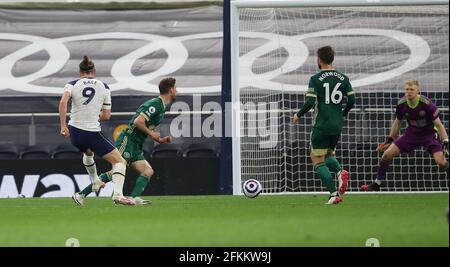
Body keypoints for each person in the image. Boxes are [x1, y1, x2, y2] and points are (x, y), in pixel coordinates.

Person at [72, 77, 177, 205]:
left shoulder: (161, 106)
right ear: (171, 90)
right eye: (175, 88)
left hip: (136, 144)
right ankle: (81, 194)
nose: (176, 91)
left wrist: (159, 139)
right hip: (128, 141)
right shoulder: (156, 104)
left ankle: (133, 198)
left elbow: (145, 126)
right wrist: (152, 135)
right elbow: (138, 122)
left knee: (147, 171)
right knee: (115, 169)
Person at [59, 56, 134, 205]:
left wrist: (63, 126)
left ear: (80, 72)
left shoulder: (71, 84)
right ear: (94, 71)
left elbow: (63, 102)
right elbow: (106, 116)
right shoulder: (104, 86)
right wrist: (94, 114)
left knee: (88, 152)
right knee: (120, 162)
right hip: (90, 132)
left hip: (74, 133)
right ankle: (118, 195)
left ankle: (94, 182)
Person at [293, 46, 355, 204]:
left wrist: (298, 114)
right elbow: (352, 100)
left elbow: (310, 102)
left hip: (321, 124)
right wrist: (344, 112)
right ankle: (340, 173)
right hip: (337, 125)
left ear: (319, 59)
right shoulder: (343, 78)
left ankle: (333, 193)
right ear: (332, 58)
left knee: (316, 158)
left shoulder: (315, 79)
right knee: (328, 155)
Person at [361, 79, 449, 191]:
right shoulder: (401, 104)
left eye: (412, 89)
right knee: (386, 155)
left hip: (429, 135)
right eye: (407, 89)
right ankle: (377, 184)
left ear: (418, 90)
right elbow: (397, 122)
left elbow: (439, 125)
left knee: (441, 162)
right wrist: (389, 140)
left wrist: (446, 142)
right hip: (411, 134)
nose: (409, 92)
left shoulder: (426, 104)